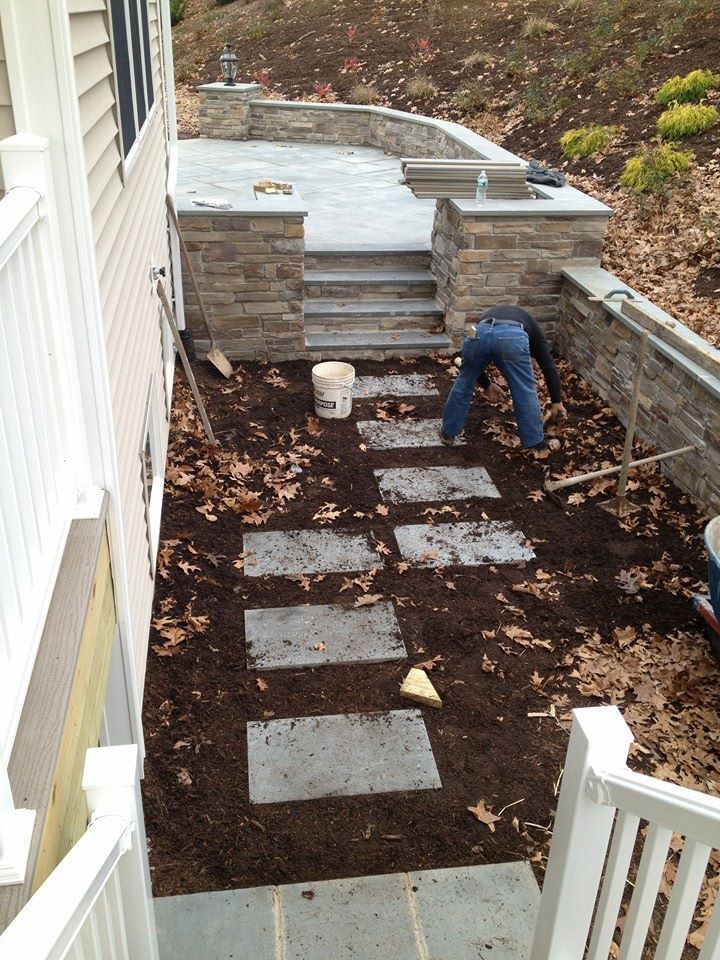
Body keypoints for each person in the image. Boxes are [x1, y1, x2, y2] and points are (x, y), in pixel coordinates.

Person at [440, 305, 567, 450]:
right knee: (524, 389)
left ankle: (447, 433)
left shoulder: (487, 317)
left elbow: (467, 360)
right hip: (511, 338)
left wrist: (486, 385)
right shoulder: (532, 326)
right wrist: (557, 401)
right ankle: (535, 443)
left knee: (464, 381)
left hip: (478, 333)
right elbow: (548, 365)